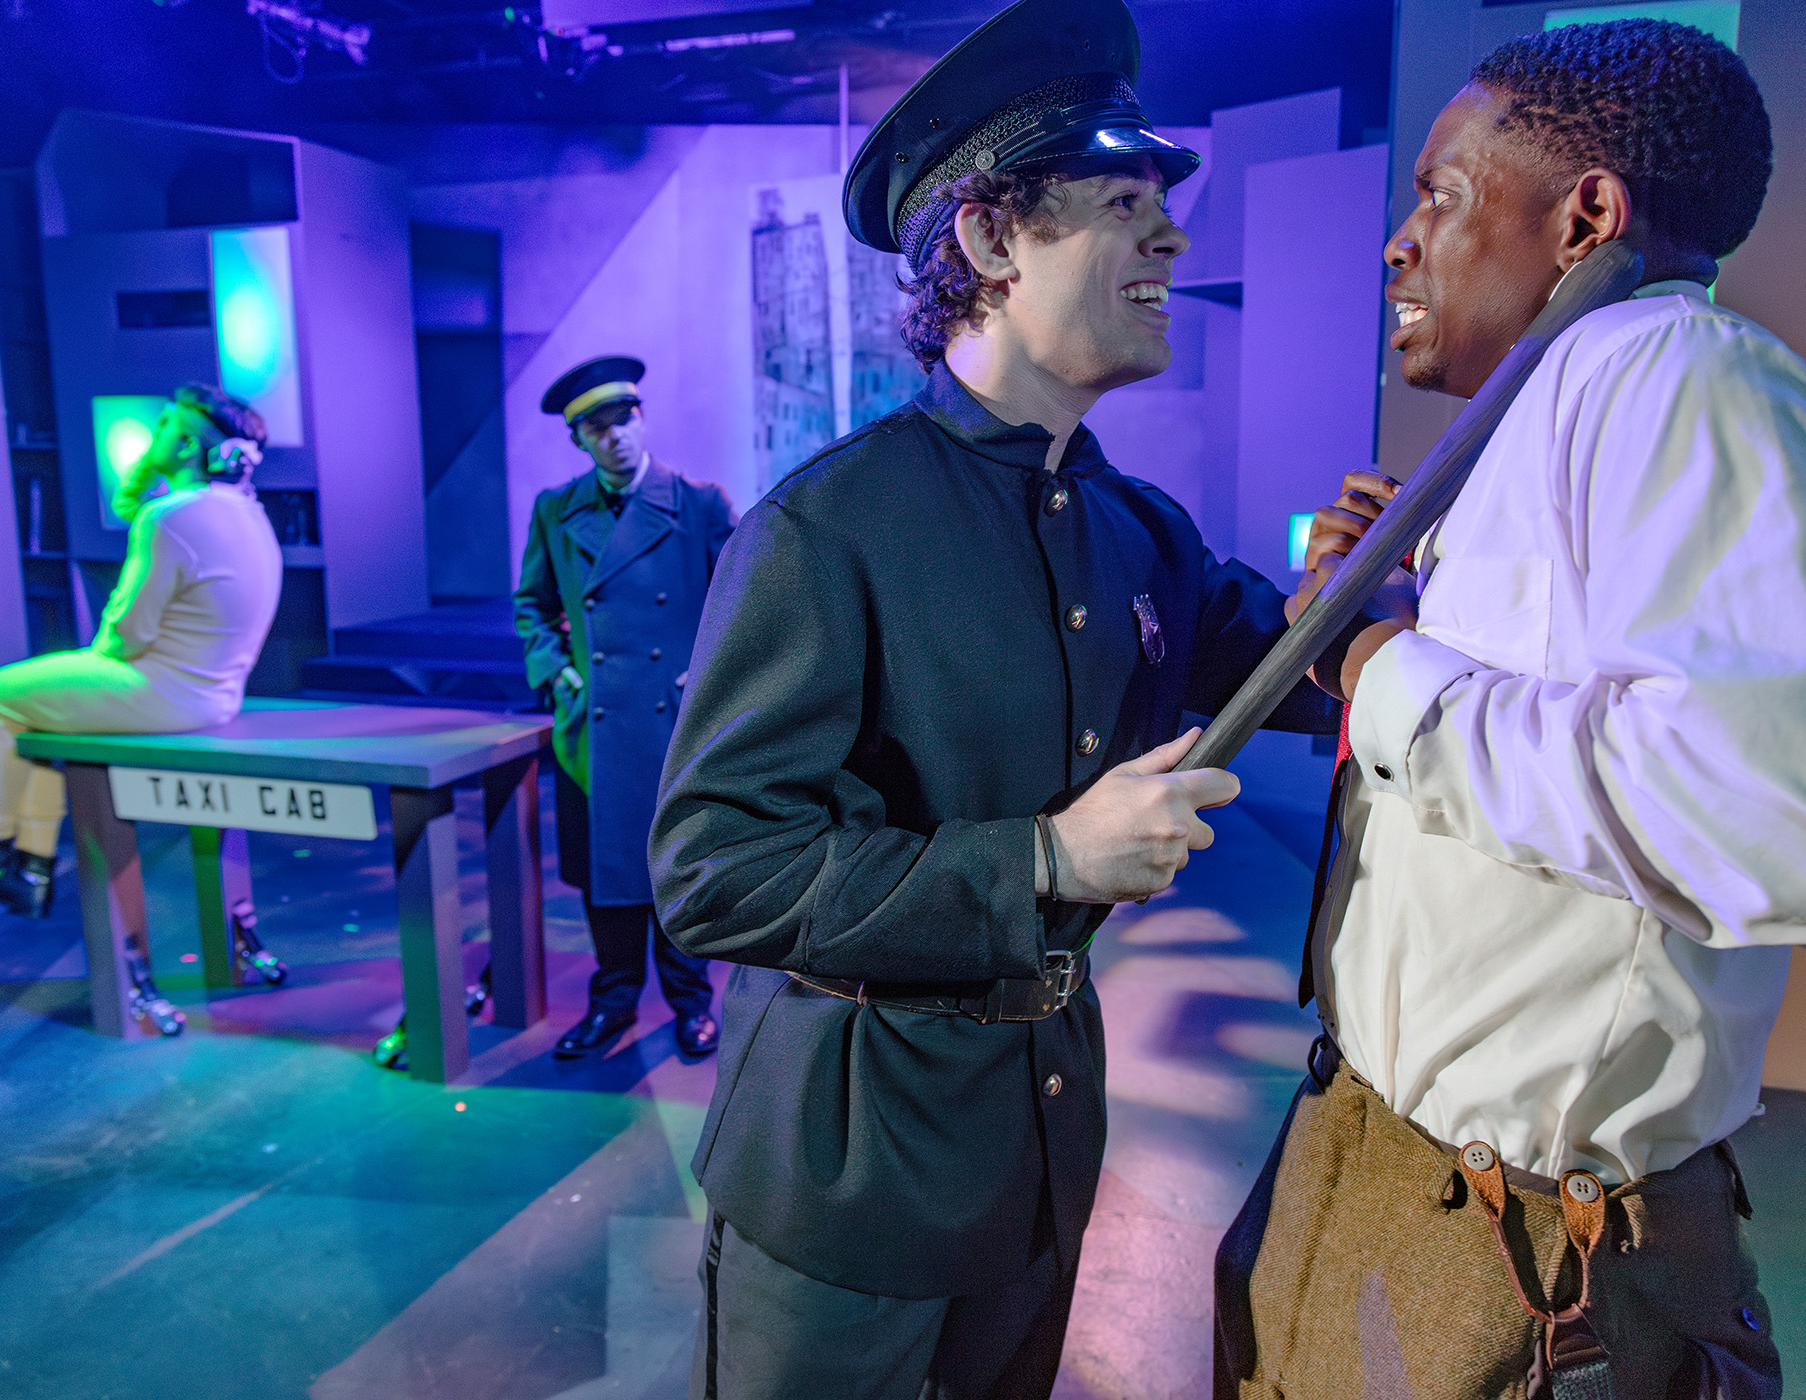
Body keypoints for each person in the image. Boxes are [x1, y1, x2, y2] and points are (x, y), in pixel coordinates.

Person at [648, 2, 1369, 1395]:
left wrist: (1360, 595)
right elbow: (712, 869)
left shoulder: (1132, 527)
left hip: (1036, 1151)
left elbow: (1274, 657)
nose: (1171, 240)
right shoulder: (827, 529)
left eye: (1164, 205)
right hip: (850, 1171)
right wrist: (1041, 859)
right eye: (1123, 204)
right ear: (988, 239)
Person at [1216, 20, 1806, 1400]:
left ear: (1587, 216)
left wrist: (1385, 669)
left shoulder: (1687, 380)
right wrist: (1398, 618)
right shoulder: (1547, 415)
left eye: (1441, 194)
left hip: (1533, 1249)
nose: (1398, 244)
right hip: (1384, 1163)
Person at [0, 383, 284, 1034]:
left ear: (188, 444)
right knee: (47, 713)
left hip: (163, 692)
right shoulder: (244, 511)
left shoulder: (173, 517)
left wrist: (112, 623)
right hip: (215, 692)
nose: (154, 432)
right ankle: (30, 870)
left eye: (166, 424)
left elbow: (123, 637)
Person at [516, 355, 733, 1061]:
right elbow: (532, 605)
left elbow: (739, 607)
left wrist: (707, 677)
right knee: (605, 874)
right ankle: (612, 1002)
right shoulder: (556, 510)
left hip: (677, 723)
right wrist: (556, 672)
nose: (615, 437)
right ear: (579, 439)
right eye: (598, 428)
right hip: (595, 729)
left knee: (680, 867)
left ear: (642, 419)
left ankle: (692, 1002)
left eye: (624, 419)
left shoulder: (698, 503)